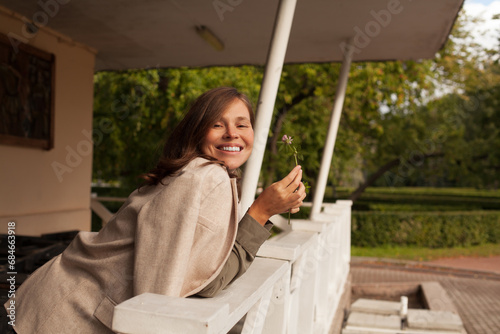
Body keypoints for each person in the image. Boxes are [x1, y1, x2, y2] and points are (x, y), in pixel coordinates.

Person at [5, 87, 306, 333]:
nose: (232, 133)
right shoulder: (204, 178)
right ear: (197, 132)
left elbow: (202, 273)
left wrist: (261, 212)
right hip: (63, 317)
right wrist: (261, 212)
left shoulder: (206, 174)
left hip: (46, 300)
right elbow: (176, 286)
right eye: (217, 124)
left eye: (242, 124)